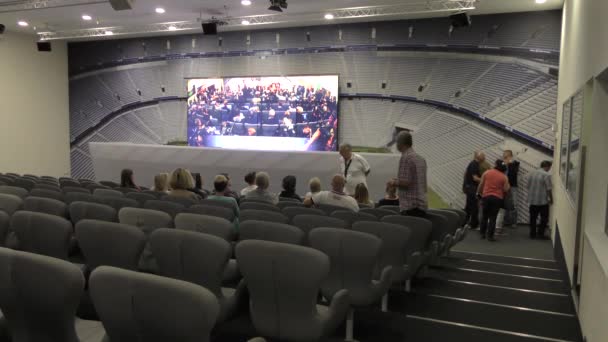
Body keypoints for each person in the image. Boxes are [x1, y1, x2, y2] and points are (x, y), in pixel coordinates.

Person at [388, 131, 428, 217]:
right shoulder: (420, 158)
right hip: (421, 205)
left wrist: (393, 182)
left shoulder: (406, 158)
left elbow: (406, 183)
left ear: (400, 143)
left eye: (397, 142)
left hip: (410, 207)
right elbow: (419, 182)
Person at [477, 160, 510, 242]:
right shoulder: (504, 177)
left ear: (496, 165)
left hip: (486, 197)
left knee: (484, 216)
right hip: (497, 198)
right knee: (493, 217)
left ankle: (482, 234)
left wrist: (479, 193)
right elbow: (506, 189)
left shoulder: (487, 172)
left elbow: (481, 184)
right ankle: (490, 236)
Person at [527, 161, 553, 239]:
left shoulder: (531, 173)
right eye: (549, 167)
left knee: (533, 218)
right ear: (547, 166)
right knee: (544, 218)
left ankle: (532, 234)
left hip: (532, 200)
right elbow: (549, 189)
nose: (549, 169)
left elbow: (527, 186)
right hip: (543, 201)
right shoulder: (547, 175)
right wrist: (551, 199)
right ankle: (540, 234)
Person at [497, 150, 520, 229]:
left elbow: (514, 172)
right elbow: (498, 170)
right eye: (504, 156)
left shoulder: (515, 163)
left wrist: (509, 163)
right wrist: (505, 163)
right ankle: (505, 221)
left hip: (512, 186)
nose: (504, 157)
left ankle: (513, 222)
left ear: (510, 156)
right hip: (502, 186)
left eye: (506, 156)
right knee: (503, 204)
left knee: (514, 204)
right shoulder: (500, 163)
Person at [463, 152, 485, 229]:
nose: (484, 157)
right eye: (483, 156)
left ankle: (464, 223)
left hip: (469, 187)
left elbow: (465, 173)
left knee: (468, 207)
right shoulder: (474, 164)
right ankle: (473, 225)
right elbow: (475, 178)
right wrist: (484, 181)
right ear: (478, 157)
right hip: (472, 188)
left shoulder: (472, 163)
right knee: (474, 207)